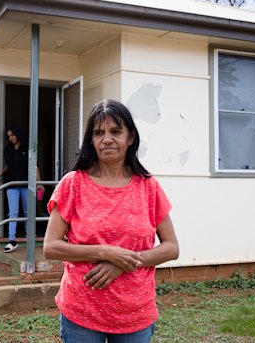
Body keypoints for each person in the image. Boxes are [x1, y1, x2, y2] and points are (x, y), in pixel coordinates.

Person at [43, 99, 179, 342]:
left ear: (130, 138)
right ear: (91, 141)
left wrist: (125, 262)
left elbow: (171, 247)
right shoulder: (73, 184)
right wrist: (107, 252)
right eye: (98, 133)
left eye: (116, 131)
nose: (107, 138)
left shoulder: (149, 187)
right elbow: (51, 247)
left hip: (135, 313)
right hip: (82, 310)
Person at [0, 125, 44, 253]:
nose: (11, 138)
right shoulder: (7, 150)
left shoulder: (27, 149)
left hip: (26, 185)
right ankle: (11, 240)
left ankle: (29, 233)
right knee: (13, 212)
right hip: (11, 185)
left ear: (18, 134)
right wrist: (1, 173)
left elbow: (35, 166)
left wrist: (39, 182)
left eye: (12, 135)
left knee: (28, 211)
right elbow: (9, 166)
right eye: (8, 136)